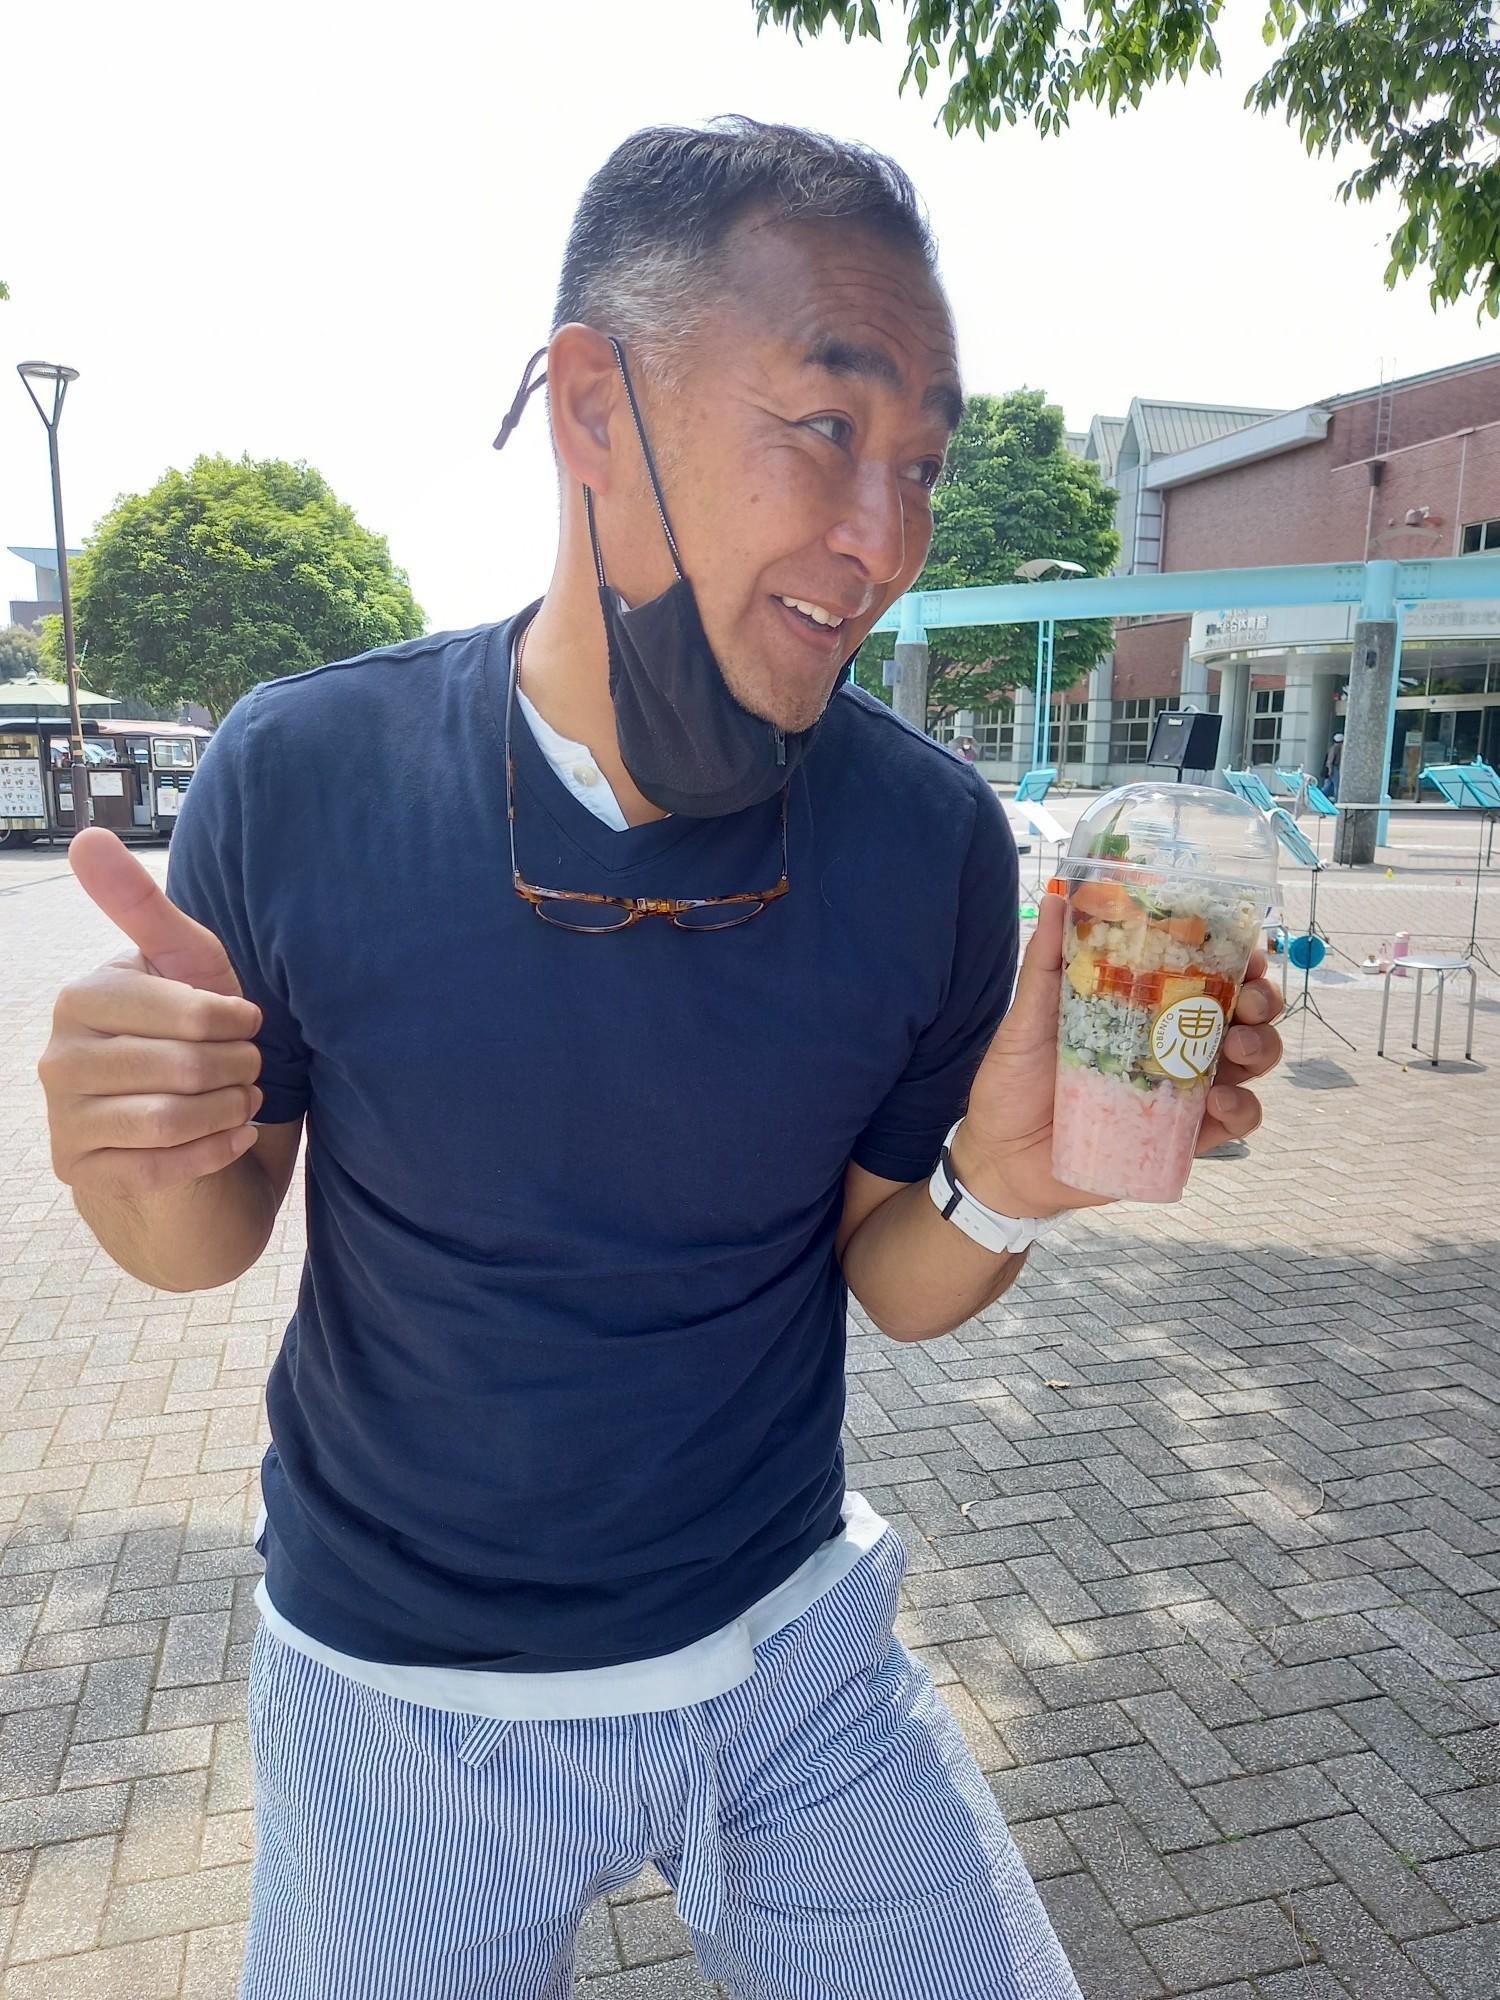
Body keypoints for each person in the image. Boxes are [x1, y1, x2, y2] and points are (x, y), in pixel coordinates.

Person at [39, 120, 1283, 2000]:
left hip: (788, 1657)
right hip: (399, 1693)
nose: (885, 538)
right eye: (827, 428)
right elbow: (203, 1239)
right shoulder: (303, 776)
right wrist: (133, 1149)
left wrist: (1011, 1181)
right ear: (594, 408)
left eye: (921, 465)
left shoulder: (927, 840)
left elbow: (895, 1272)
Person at [1322, 731, 1343, 799]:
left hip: (1333, 767)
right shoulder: (1334, 749)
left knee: (1328, 784)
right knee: (1336, 784)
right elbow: (1330, 761)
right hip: (1333, 768)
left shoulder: (1334, 748)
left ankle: (1321, 796)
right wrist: (1330, 770)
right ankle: (1336, 798)